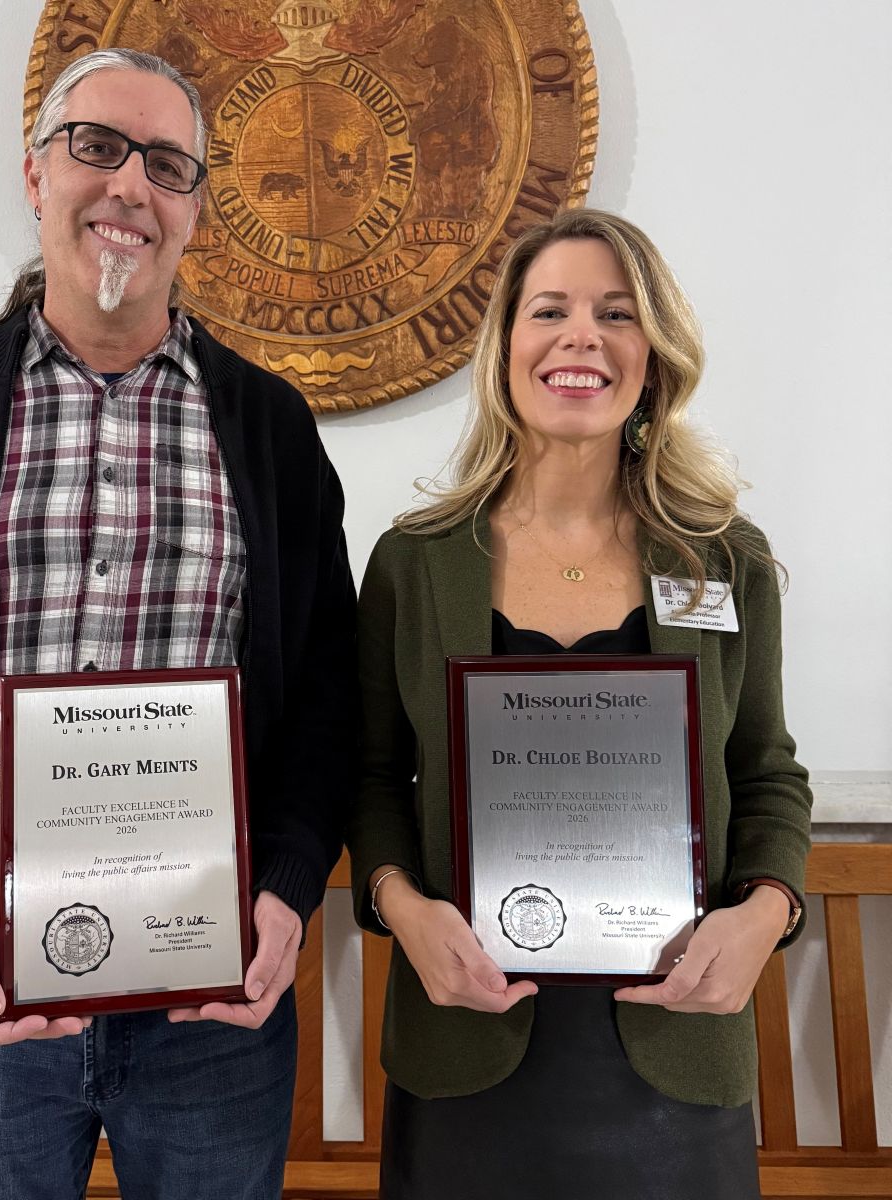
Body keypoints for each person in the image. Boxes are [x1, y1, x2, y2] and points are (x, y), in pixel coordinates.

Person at [0, 49, 355, 1200]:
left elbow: (333, 695)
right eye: (97, 146)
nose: (128, 187)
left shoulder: (270, 429)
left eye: (166, 163)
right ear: (37, 173)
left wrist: (289, 886)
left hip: (215, 1014)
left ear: (195, 209)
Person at [348, 208, 811, 1199]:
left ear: (654, 354)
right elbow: (375, 776)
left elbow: (766, 774)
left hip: (677, 1048)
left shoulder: (725, 560)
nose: (581, 338)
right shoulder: (416, 563)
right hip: (466, 1047)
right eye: (549, 310)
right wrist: (402, 908)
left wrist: (765, 914)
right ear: (505, 347)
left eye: (616, 313)